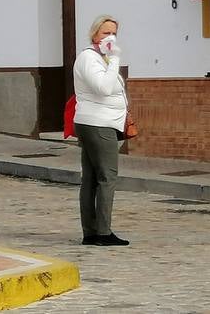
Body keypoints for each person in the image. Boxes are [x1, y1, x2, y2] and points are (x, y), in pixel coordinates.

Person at [73, 16, 130, 246]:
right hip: (98, 124)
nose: (110, 37)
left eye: (114, 33)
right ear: (95, 34)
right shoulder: (89, 58)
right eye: (105, 33)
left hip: (101, 121)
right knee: (107, 177)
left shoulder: (101, 58)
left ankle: (91, 232)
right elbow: (104, 88)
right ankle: (102, 232)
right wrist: (115, 59)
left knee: (92, 178)